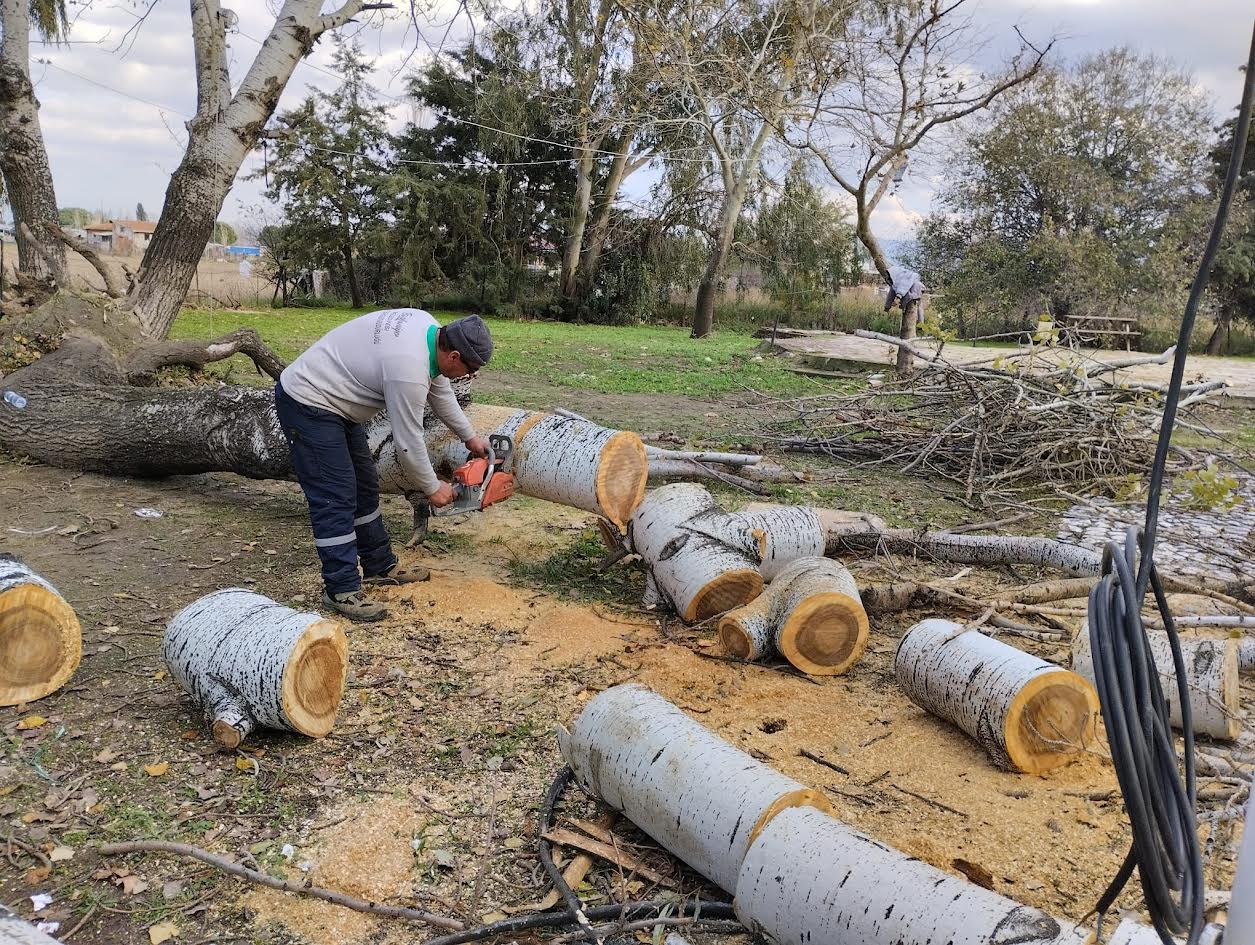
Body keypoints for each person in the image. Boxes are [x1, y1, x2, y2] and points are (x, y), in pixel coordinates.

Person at [275, 309, 493, 622]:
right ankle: (340, 589)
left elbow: (440, 391)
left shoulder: (429, 331)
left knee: (365, 485)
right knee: (335, 495)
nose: (468, 377)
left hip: (338, 404)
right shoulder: (407, 366)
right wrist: (432, 487)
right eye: (469, 370)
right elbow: (407, 442)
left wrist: (471, 438)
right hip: (309, 401)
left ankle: (378, 565)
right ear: (454, 354)